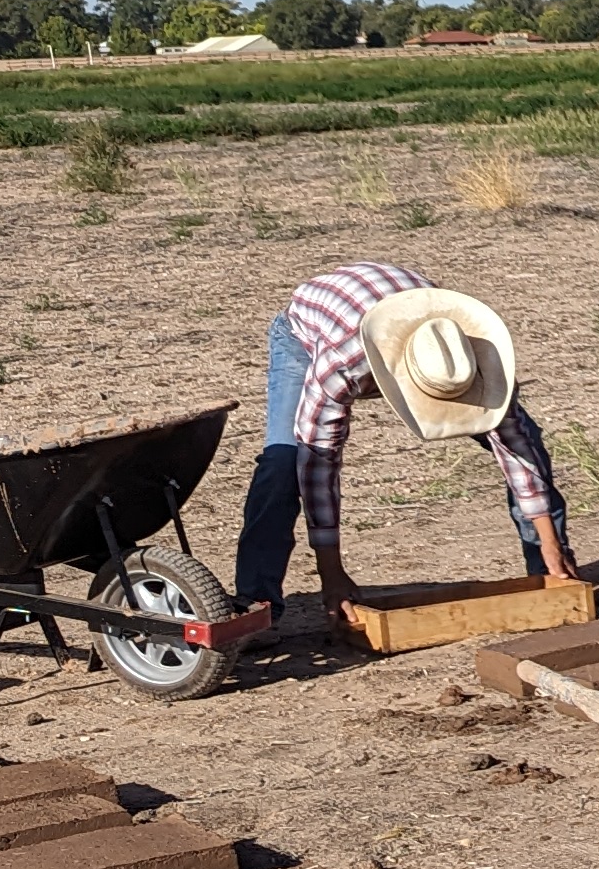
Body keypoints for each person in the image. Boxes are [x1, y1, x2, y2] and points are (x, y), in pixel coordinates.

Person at [232, 263, 577, 635]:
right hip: (307, 330)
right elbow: (319, 467)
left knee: (526, 439)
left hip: (402, 311)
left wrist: (550, 541)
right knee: (285, 462)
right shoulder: (341, 366)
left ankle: (550, 569)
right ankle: (256, 607)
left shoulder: (468, 354)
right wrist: (331, 574)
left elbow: (517, 447)